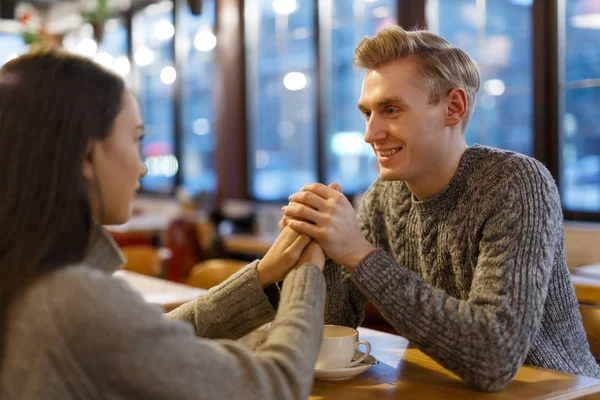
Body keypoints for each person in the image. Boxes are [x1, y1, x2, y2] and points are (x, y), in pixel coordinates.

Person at [280, 25, 600, 392]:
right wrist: (319, 248)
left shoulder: (516, 182)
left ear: (453, 107)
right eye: (367, 113)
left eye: (390, 109)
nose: (370, 133)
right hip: (450, 387)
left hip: (564, 390)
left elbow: (494, 358)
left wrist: (358, 254)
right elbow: (333, 328)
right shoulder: (384, 196)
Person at [0, 47, 326, 400]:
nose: (142, 167)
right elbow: (276, 386)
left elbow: (145, 342)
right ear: (86, 154)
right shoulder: (69, 299)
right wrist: (306, 274)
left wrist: (262, 273)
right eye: (135, 139)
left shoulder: (24, 275)